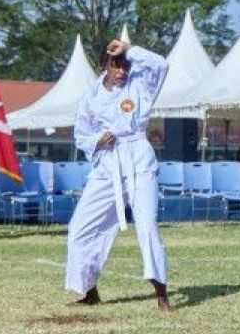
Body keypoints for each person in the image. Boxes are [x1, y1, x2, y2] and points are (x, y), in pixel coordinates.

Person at [65, 39, 172, 311]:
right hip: (107, 164)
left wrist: (129, 49)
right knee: (79, 227)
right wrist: (97, 140)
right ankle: (89, 290)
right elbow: (81, 135)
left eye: (125, 65)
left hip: (138, 160)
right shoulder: (91, 96)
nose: (122, 71)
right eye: (116, 65)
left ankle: (162, 293)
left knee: (147, 226)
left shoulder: (140, 84)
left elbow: (161, 64)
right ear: (105, 66)